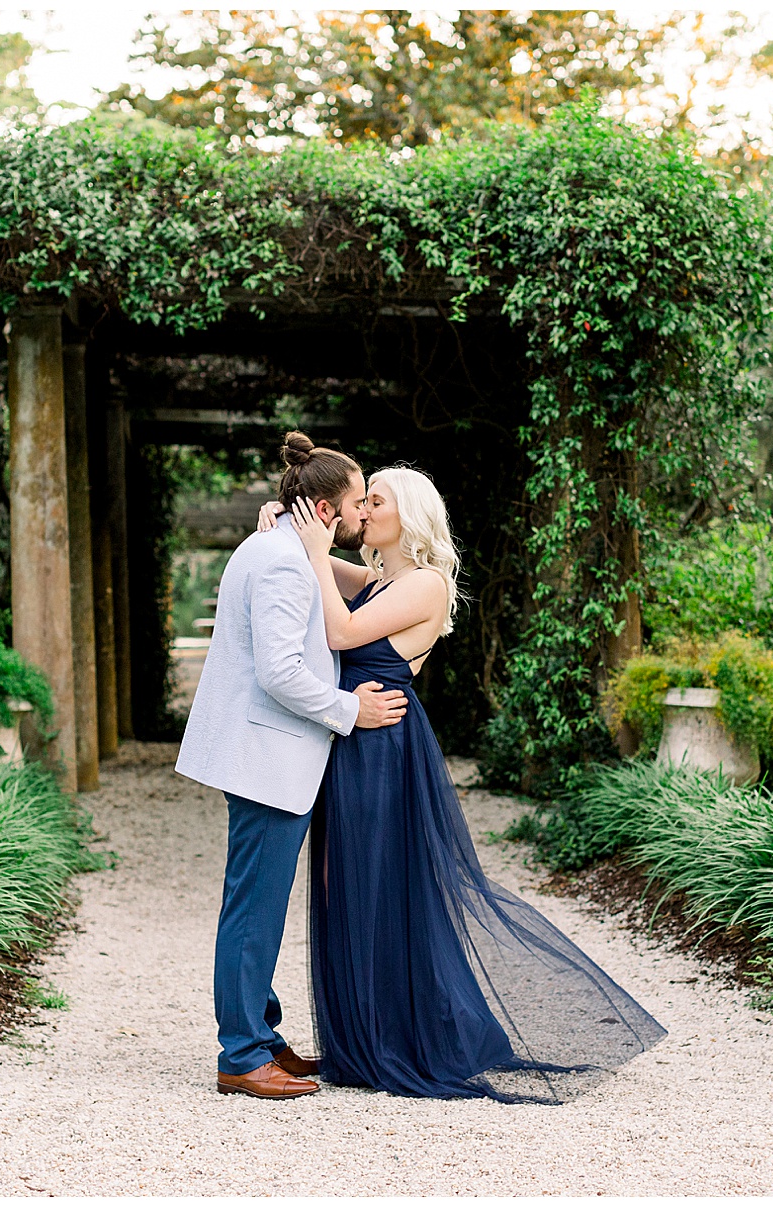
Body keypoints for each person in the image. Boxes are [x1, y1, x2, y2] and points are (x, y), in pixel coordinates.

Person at [260, 452, 667, 1103]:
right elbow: (317, 567)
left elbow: (338, 633)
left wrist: (309, 548)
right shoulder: (376, 578)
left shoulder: (425, 583)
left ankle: (398, 1035)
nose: (363, 511)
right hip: (352, 742)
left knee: (380, 884)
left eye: (377, 502)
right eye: (362, 502)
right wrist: (291, 528)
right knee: (349, 886)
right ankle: (365, 1033)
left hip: (384, 748)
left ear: (410, 516)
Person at [174, 434, 408, 1100]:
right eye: (360, 501)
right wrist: (348, 709)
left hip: (269, 756)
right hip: (268, 757)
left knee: (260, 906)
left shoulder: (281, 550)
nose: (366, 512)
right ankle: (241, 1054)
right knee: (252, 909)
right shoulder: (280, 562)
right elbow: (280, 672)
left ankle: (261, 1034)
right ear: (330, 509)